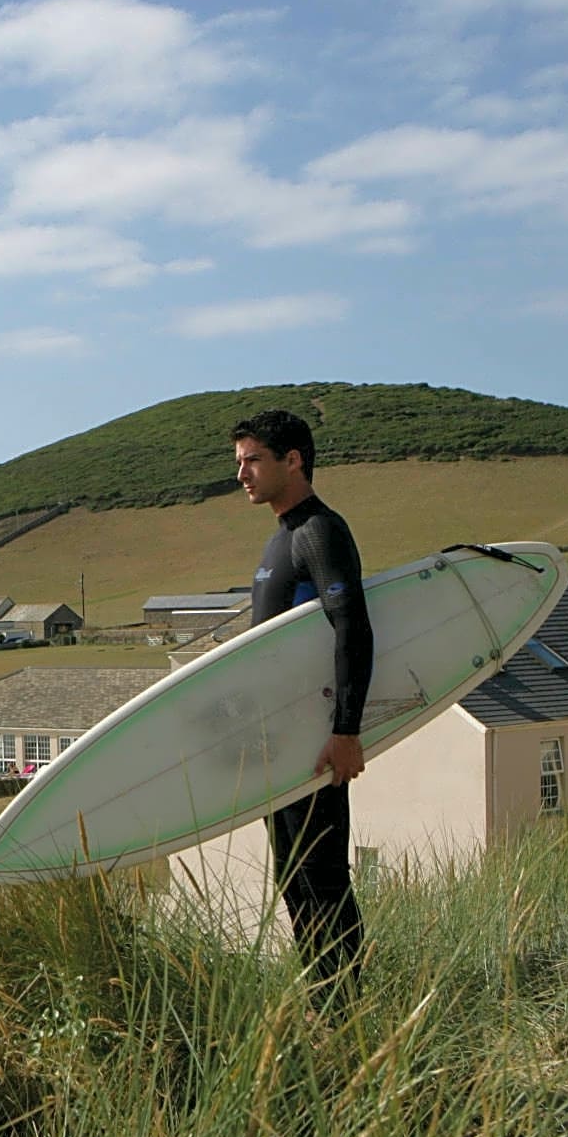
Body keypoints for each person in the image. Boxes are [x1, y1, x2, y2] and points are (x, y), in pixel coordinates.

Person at [234, 407, 372, 1013]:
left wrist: (346, 731)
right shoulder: (279, 538)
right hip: (279, 746)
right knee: (295, 884)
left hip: (315, 744)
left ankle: (346, 1013)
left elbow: (353, 629)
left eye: (254, 459)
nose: (242, 473)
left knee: (323, 883)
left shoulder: (319, 531)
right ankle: (327, 1005)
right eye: (238, 462)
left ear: (294, 460)